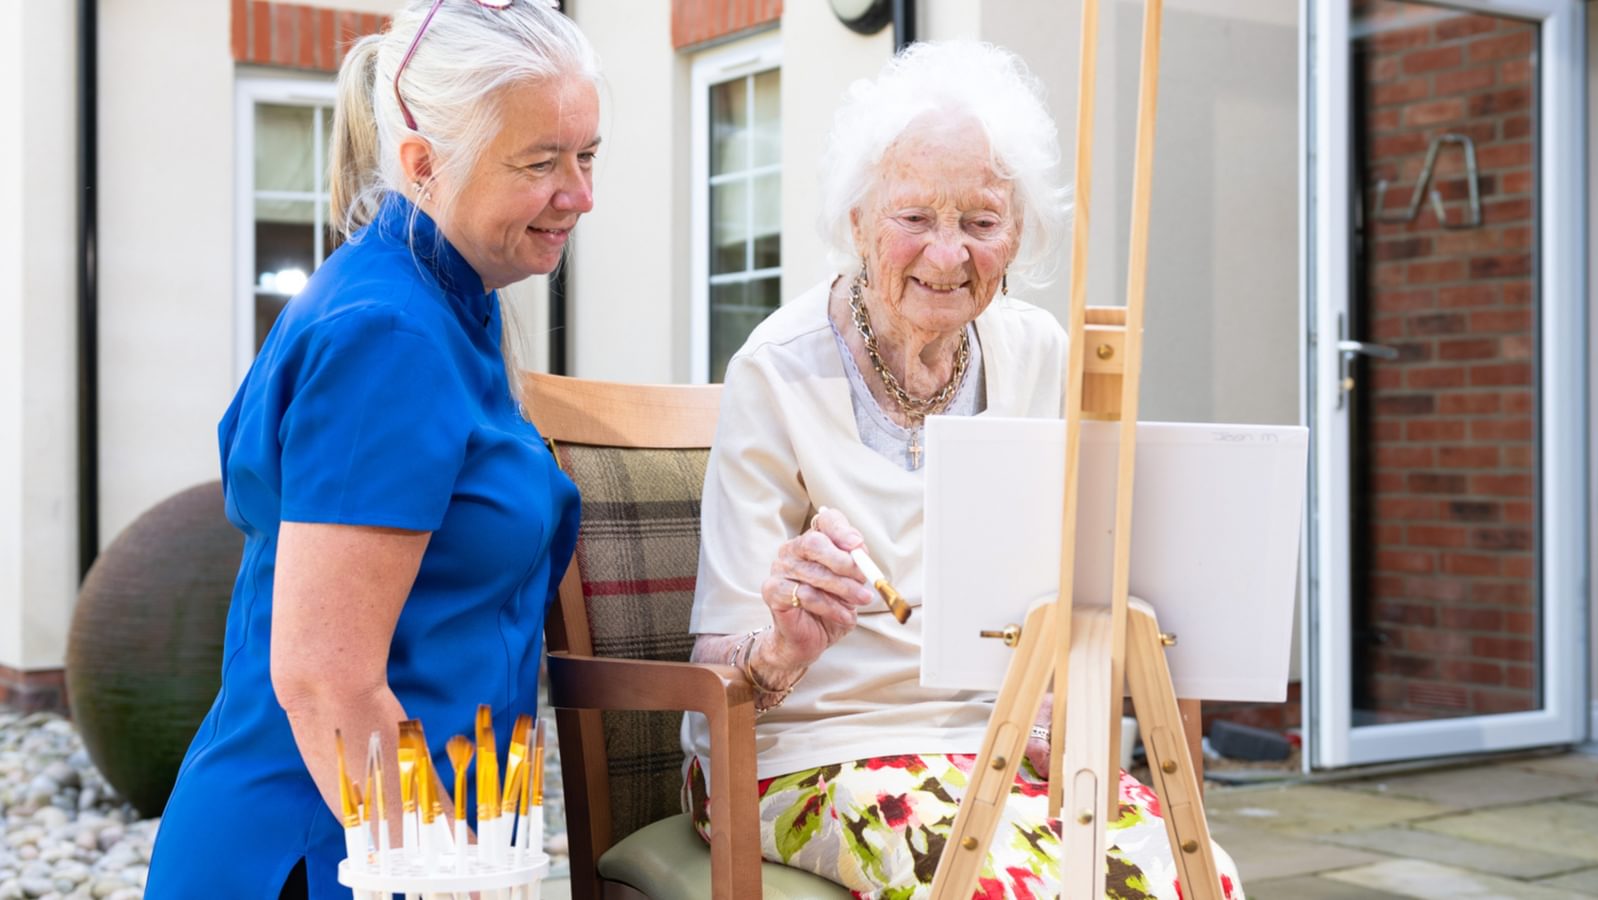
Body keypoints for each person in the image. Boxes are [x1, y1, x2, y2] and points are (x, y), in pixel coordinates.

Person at [681, 42, 1242, 899]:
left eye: (980, 223)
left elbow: (1089, 581)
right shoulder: (776, 372)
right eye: (915, 218)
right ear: (859, 219)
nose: (948, 256)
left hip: (999, 744)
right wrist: (788, 641)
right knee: (1002, 887)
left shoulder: (1039, 355)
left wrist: (1064, 696)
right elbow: (717, 658)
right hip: (812, 755)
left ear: (1017, 233)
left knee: (1188, 876)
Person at [146, 2, 600, 896]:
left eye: (587, 155)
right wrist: (437, 872)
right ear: (424, 165)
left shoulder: (444, 304)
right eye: (541, 162)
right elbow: (324, 681)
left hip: (404, 843)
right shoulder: (388, 336)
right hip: (329, 856)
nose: (580, 194)